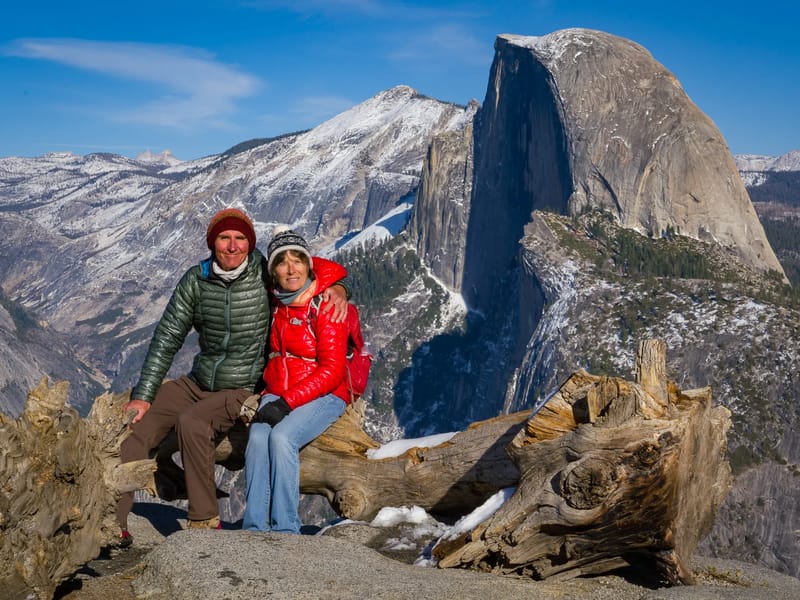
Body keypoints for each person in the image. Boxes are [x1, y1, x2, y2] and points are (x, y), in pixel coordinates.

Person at [116, 208, 348, 543]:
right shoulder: (196, 280)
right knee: (136, 428)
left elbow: (301, 269)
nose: (232, 246)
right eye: (224, 238)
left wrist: (337, 287)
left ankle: (204, 520)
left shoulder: (261, 273)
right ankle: (115, 523)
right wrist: (142, 396)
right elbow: (167, 337)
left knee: (192, 422)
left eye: (240, 238)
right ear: (213, 242)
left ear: (250, 244)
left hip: (242, 386)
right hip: (198, 380)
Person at [241, 226, 353, 533]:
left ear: (308, 264)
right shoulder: (277, 300)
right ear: (273, 272)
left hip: (326, 393)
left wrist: (286, 403)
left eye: (298, 260)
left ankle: (286, 528)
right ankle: (254, 527)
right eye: (282, 262)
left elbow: (332, 371)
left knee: (282, 438)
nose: (291, 269)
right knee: (257, 438)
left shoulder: (326, 304)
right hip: (279, 388)